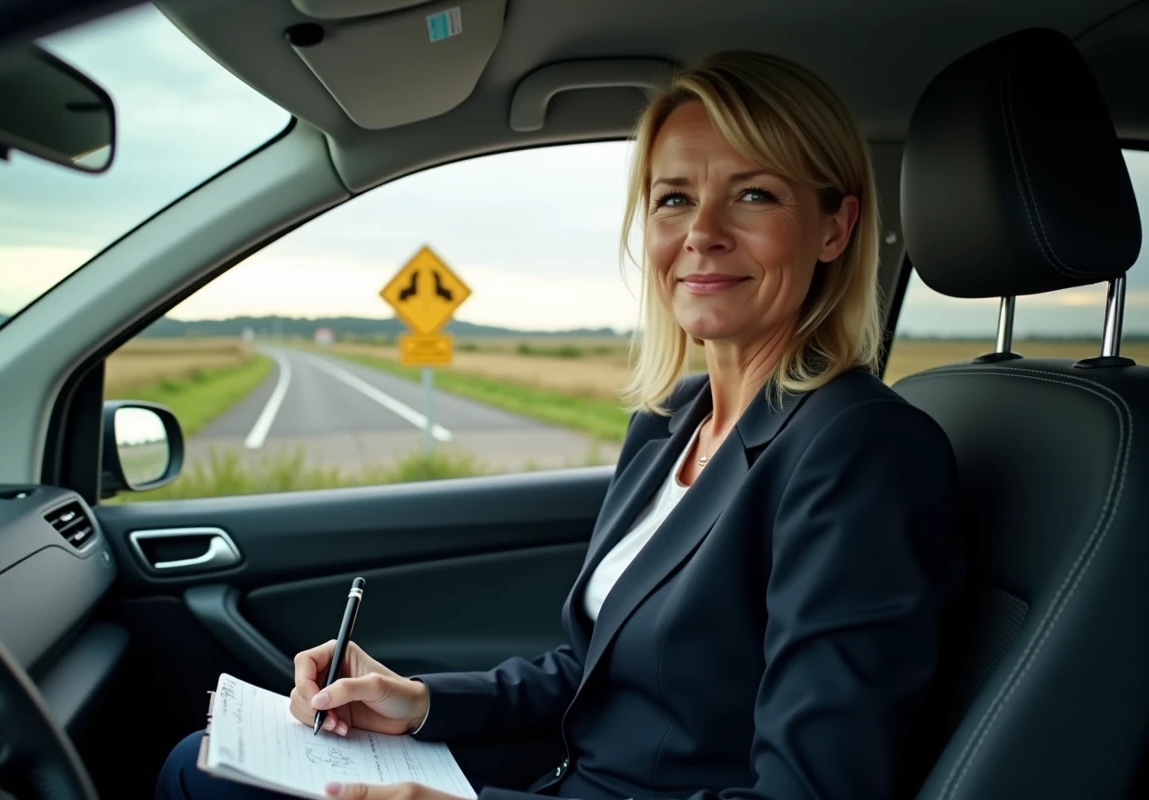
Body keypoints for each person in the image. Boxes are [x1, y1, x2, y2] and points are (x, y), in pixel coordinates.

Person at [157, 49, 962, 800]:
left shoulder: (860, 450)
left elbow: (809, 791)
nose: (701, 233)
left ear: (835, 227)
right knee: (204, 760)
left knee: (198, 776)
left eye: (754, 194)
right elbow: (592, 668)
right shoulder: (672, 421)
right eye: (674, 198)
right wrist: (417, 703)